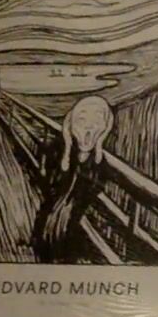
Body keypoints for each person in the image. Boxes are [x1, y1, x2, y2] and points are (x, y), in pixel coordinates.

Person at [31, 95, 114, 263]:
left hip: (75, 224)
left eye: (98, 120)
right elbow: (51, 182)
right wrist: (68, 149)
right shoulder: (58, 148)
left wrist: (97, 148)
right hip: (50, 220)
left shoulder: (99, 162)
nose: (89, 127)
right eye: (81, 120)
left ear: (106, 127)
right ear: (71, 124)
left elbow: (94, 189)